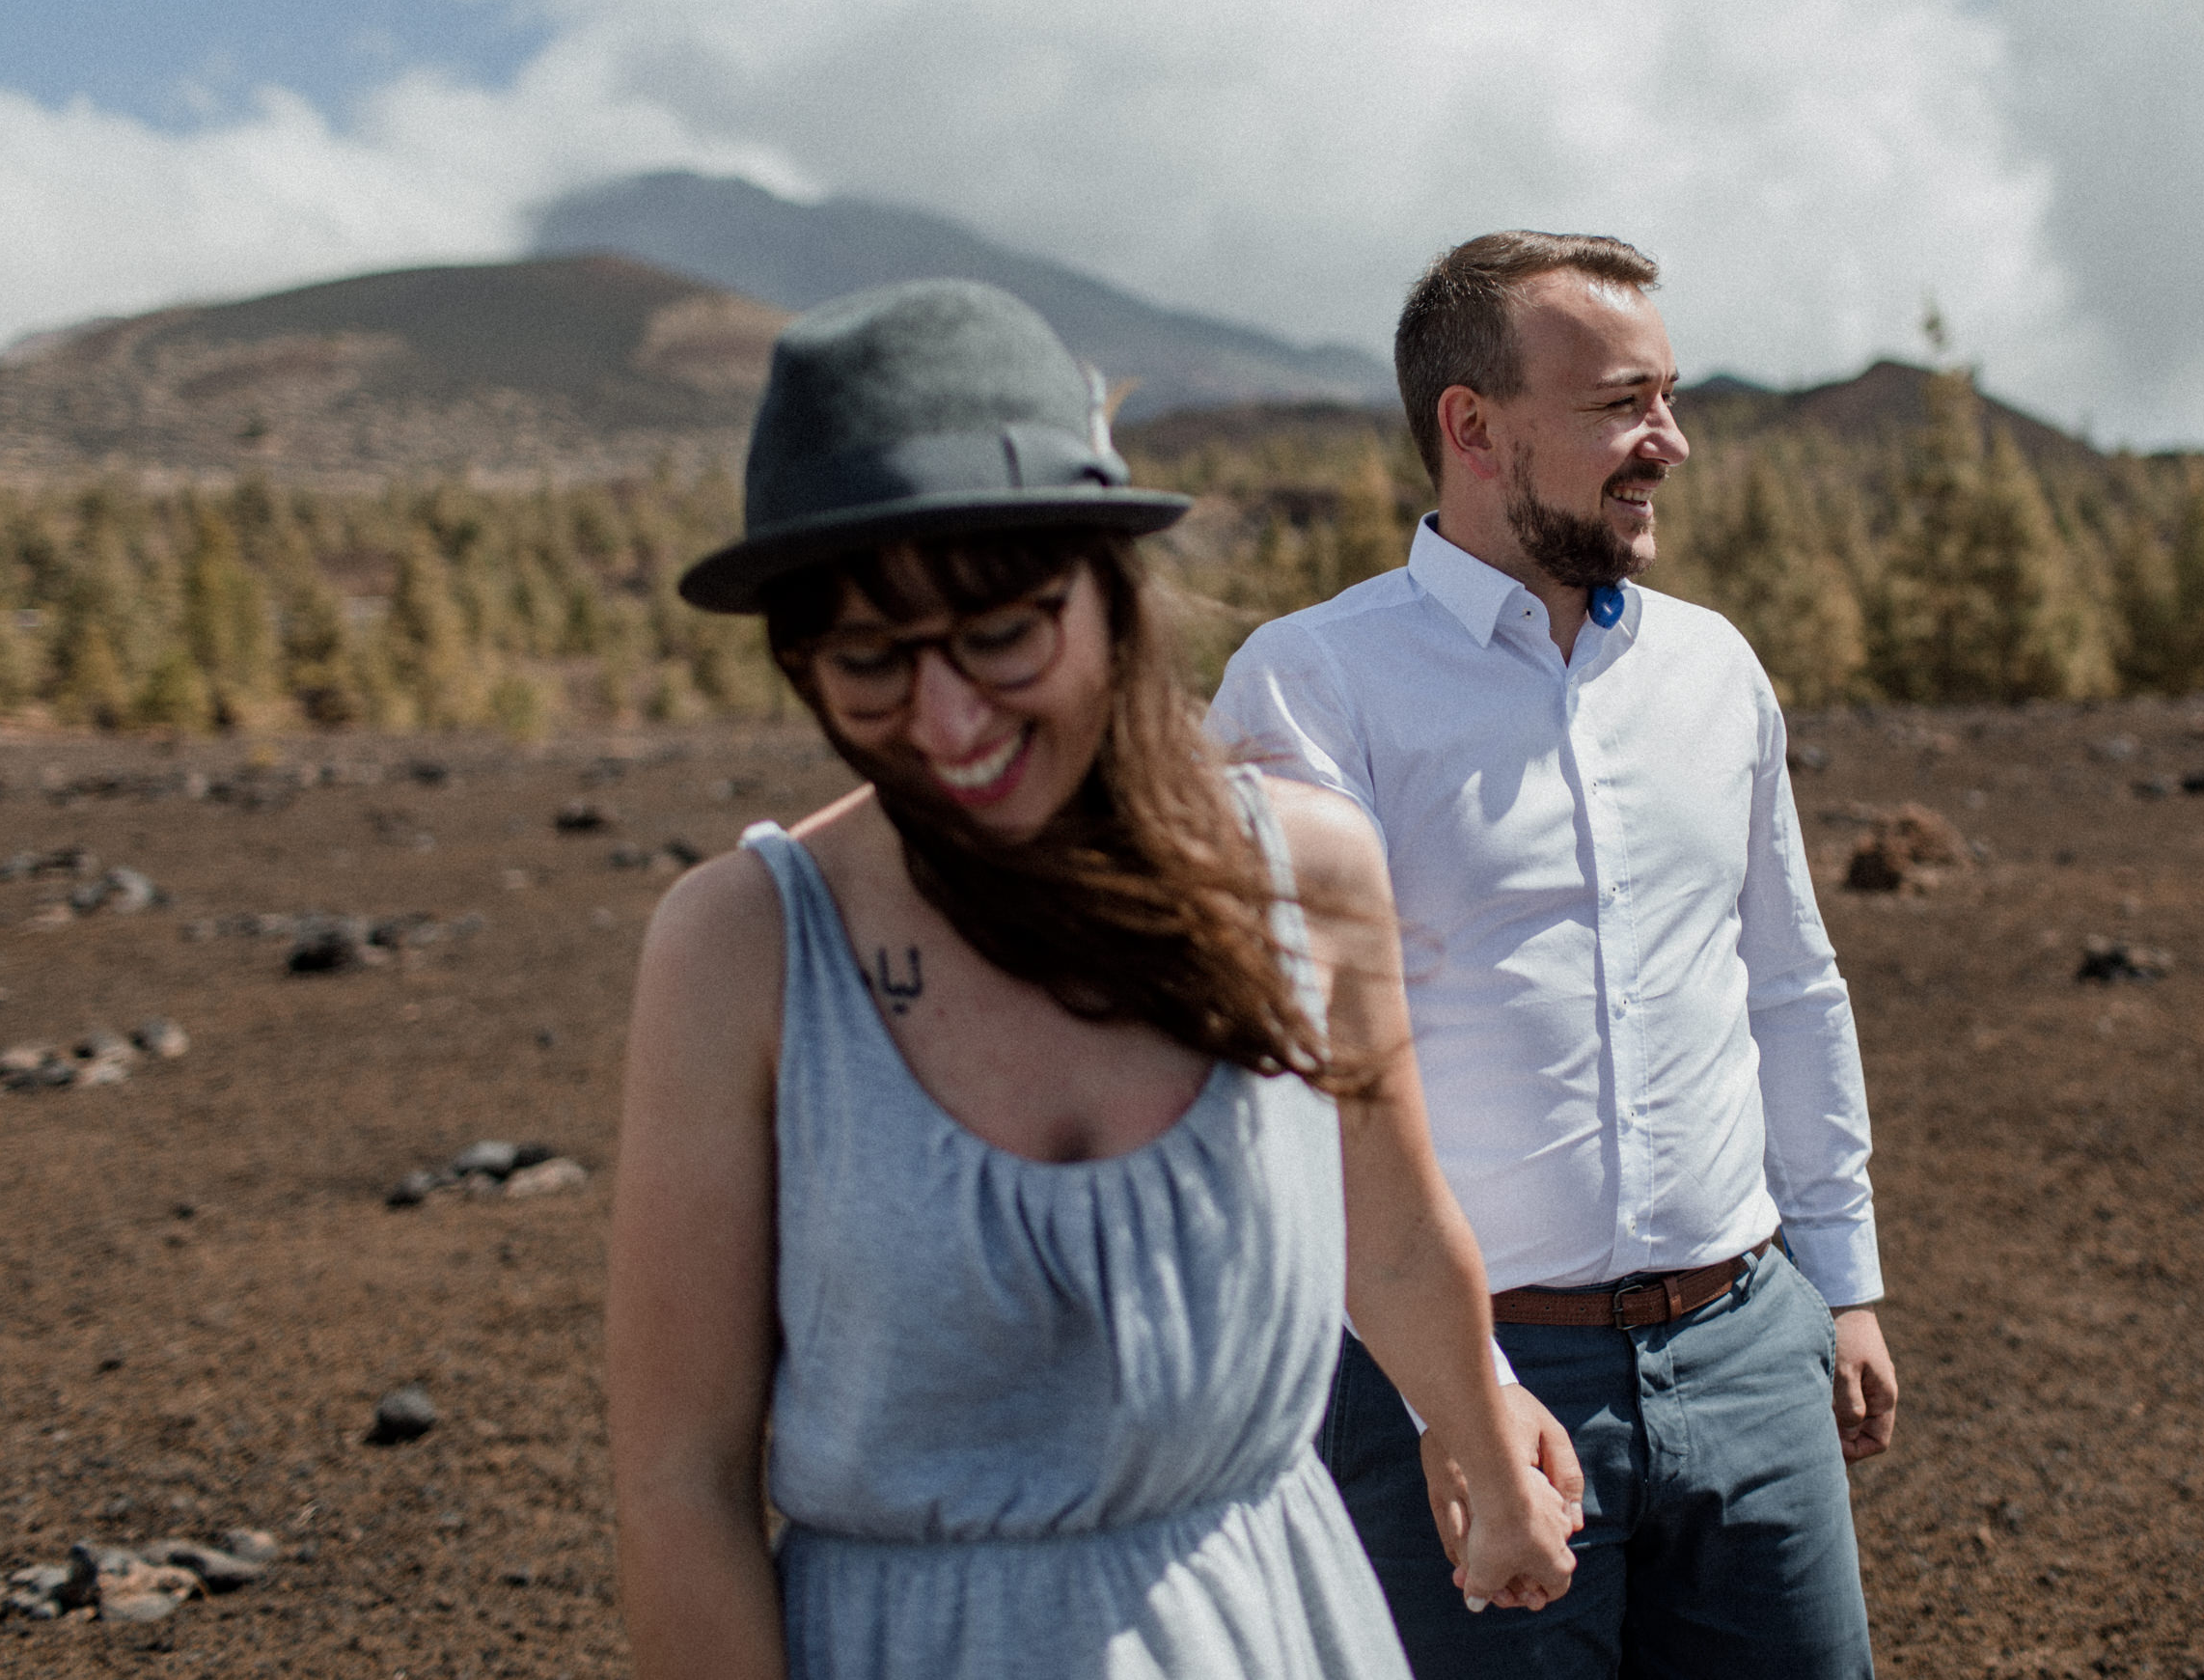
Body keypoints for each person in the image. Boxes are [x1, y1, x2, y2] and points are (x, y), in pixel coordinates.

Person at [605, 278, 1581, 1680]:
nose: (945, 725)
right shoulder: (742, 950)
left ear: (1109, 594)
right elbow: (679, 1481)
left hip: (1268, 1627)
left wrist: (1487, 1455)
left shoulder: (1304, 877)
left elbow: (1402, 1234)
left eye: (1002, 632)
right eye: (869, 662)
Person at [1205, 232, 1898, 1678]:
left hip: (1751, 1351)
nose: (1672, 443)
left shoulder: (1716, 670)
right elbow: (1285, 1079)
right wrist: (1452, 1396)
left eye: (1668, 397)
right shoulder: (1313, 683)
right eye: (1623, 406)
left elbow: (1785, 979)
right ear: (1473, 427)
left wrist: (1840, 1283)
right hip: (1460, 1383)